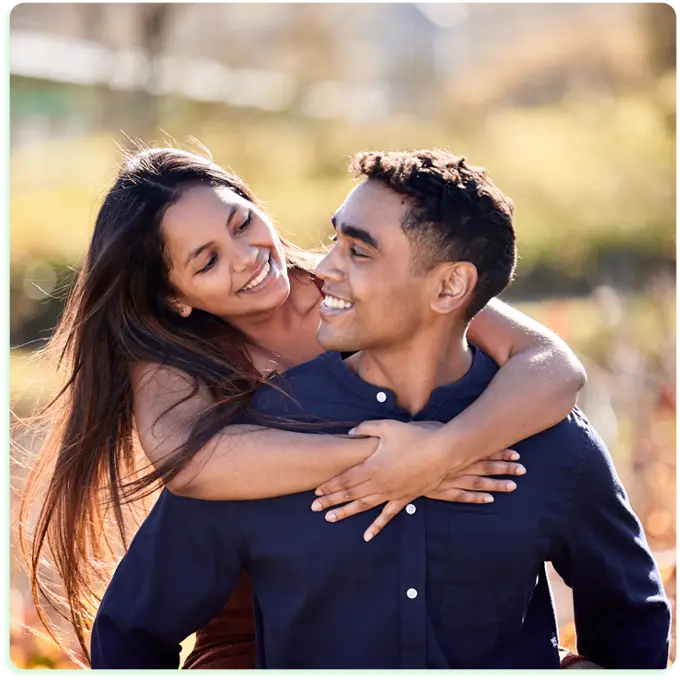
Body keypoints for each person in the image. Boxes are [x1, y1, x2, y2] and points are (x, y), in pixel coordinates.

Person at [90, 150, 670, 669]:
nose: (246, 257)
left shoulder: (370, 283)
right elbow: (185, 468)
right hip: (252, 642)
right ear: (173, 296)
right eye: (207, 261)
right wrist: (387, 456)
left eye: (242, 223)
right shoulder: (198, 392)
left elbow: (550, 362)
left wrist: (442, 447)